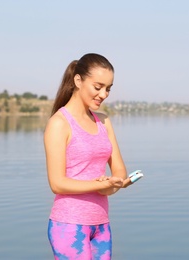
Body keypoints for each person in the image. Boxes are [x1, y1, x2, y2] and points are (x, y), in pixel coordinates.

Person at [44, 53, 132, 259]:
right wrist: (100, 185)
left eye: (108, 88)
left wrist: (114, 183)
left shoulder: (103, 121)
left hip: (101, 223)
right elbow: (57, 184)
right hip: (69, 224)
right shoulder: (59, 123)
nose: (103, 94)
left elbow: (119, 169)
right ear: (78, 81)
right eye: (98, 86)